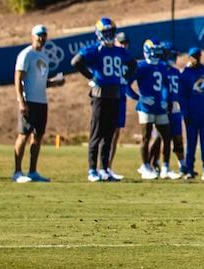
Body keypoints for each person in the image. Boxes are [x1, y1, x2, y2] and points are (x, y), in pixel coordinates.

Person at [72, 18, 137, 182]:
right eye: (106, 32)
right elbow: (76, 61)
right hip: (100, 95)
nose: (109, 35)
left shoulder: (118, 50)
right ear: (99, 33)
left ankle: (105, 168)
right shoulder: (95, 50)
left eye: (111, 32)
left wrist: (125, 77)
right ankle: (92, 170)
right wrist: (91, 77)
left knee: (108, 135)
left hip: (115, 94)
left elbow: (133, 63)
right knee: (96, 134)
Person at [13, 24, 63, 182]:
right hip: (29, 101)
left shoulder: (44, 56)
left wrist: (54, 83)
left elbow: (40, 81)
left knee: (38, 136)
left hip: (42, 102)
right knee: (24, 134)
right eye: (39, 35)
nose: (42, 38)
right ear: (33, 36)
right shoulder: (26, 54)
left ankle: (33, 171)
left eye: (44, 35)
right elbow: (18, 78)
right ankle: (17, 172)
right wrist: (21, 101)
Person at [130, 39, 175, 181]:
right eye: (153, 51)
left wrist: (164, 99)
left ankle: (165, 168)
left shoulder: (162, 66)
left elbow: (166, 85)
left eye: (157, 52)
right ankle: (145, 166)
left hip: (159, 108)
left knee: (166, 137)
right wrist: (140, 98)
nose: (156, 55)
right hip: (145, 108)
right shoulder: (141, 66)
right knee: (146, 137)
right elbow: (126, 84)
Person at [179, 47, 204, 179]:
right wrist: (185, 112)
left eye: (197, 56)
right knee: (191, 143)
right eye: (193, 56)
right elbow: (182, 96)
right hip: (192, 114)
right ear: (189, 58)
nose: (195, 59)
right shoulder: (186, 73)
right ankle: (189, 169)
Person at [105, 31, 133, 175]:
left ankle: (108, 166)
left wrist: (136, 96)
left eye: (125, 43)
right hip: (107, 98)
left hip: (121, 99)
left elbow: (129, 81)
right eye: (121, 42)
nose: (123, 45)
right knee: (105, 133)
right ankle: (99, 167)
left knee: (116, 134)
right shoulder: (109, 55)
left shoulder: (127, 60)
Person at [163, 43, 186, 179]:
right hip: (163, 106)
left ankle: (182, 163)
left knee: (177, 137)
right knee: (161, 138)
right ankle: (156, 164)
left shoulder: (176, 72)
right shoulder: (160, 70)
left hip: (175, 107)